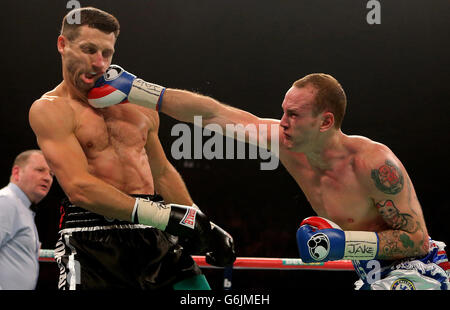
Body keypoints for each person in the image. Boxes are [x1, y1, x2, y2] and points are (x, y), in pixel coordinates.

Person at [88, 66, 449, 290]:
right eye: (282, 112)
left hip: (419, 271)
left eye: (293, 115)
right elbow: (212, 114)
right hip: (370, 274)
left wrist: (344, 244)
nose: (283, 122)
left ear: (325, 122)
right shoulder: (285, 141)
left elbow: (416, 240)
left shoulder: (373, 162)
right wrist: (137, 89)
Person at [28, 7, 235, 290]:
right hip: (92, 240)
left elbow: (161, 171)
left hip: (156, 237)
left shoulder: (137, 103)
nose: (99, 63)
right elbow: (79, 187)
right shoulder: (50, 110)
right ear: (63, 45)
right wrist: (166, 216)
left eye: (107, 53)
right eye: (89, 50)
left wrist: (202, 224)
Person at [0, 150, 53, 289]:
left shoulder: (22, 209)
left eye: (51, 174)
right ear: (17, 172)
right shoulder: (6, 202)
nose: (47, 178)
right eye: (40, 170)